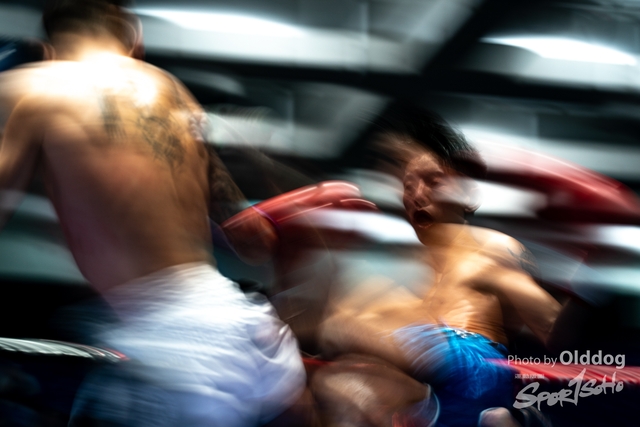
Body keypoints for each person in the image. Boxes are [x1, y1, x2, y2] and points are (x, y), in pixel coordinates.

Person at [0, 1, 316, 426]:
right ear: (136, 39)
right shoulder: (174, 92)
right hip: (249, 329)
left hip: (170, 348)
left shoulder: (34, 88)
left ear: (50, 44)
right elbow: (254, 241)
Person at [314, 104, 562, 427]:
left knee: (347, 328)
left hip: (473, 372)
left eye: (432, 182)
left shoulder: (491, 248)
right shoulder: (395, 268)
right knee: (336, 377)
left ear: (468, 196)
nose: (417, 195)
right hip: (420, 391)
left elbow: (552, 326)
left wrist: (587, 278)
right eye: (407, 186)